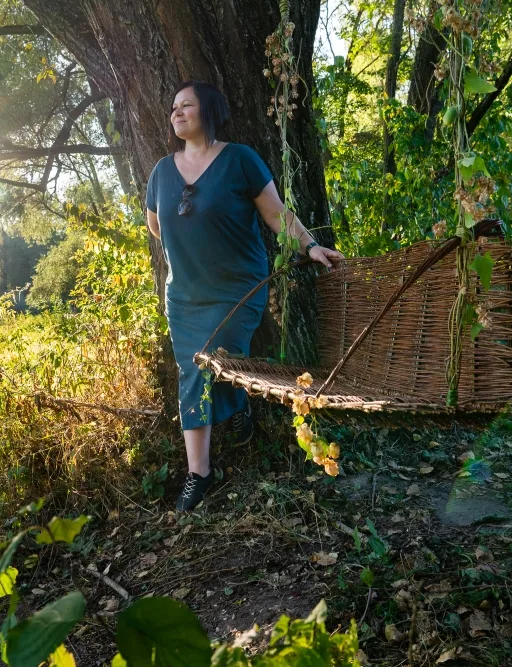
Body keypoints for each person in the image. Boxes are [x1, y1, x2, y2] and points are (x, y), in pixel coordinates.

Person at [145, 81, 344, 511]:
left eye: (187, 105)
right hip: (184, 296)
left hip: (238, 289)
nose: (176, 113)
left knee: (218, 357)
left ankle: (235, 406)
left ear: (209, 111)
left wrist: (310, 245)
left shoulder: (240, 159)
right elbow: (156, 225)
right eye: (173, 107)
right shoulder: (161, 170)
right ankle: (199, 472)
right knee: (192, 372)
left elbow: (276, 215)